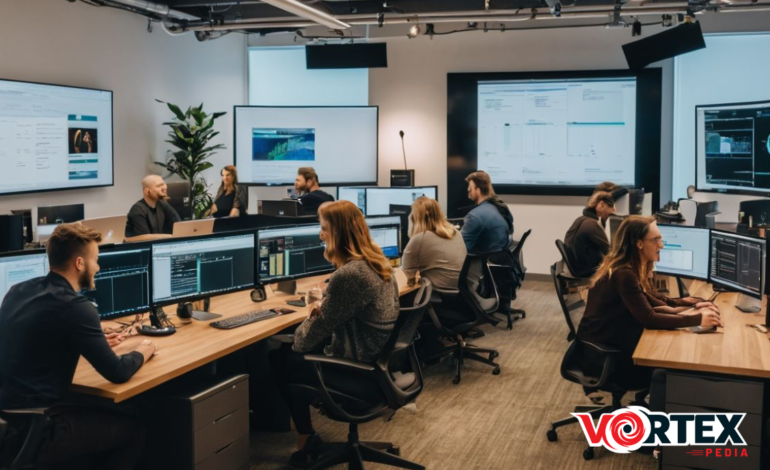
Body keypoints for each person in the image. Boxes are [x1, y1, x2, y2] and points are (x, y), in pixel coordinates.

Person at [0, 223, 157, 470]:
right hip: (39, 427)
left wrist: (91, 340)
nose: (98, 267)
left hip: (8, 420)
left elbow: (39, 340)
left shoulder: (18, 291)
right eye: (95, 259)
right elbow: (117, 372)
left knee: (126, 410)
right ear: (80, 263)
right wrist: (143, 351)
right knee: (135, 428)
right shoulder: (75, 306)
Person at [270, 200, 399, 468]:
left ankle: (306, 437)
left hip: (357, 368)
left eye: (324, 228)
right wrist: (326, 303)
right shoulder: (377, 262)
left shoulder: (349, 275)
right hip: (377, 363)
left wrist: (312, 311)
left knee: (281, 356)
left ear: (339, 233)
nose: (320, 234)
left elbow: (303, 341)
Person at [576, 216, 721, 407]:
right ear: (639, 244)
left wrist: (693, 303)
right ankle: (658, 421)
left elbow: (653, 300)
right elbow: (649, 317)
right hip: (605, 357)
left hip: (604, 343)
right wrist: (696, 319)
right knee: (671, 363)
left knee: (673, 345)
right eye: (656, 240)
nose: (661, 245)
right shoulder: (623, 273)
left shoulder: (627, 267)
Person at [402, 196, 466, 291]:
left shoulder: (420, 239)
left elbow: (409, 279)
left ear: (415, 219)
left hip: (441, 293)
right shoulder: (456, 232)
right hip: (464, 291)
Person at [563, 191, 616, 278]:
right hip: (584, 269)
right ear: (601, 205)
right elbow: (609, 251)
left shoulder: (581, 219)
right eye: (612, 208)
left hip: (576, 266)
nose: (613, 211)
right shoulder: (591, 224)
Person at [461, 171, 513, 254]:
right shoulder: (501, 207)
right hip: (499, 258)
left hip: (481, 262)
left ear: (478, 191)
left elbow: (461, 247)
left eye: (470, 187)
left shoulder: (475, 216)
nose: (468, 190)